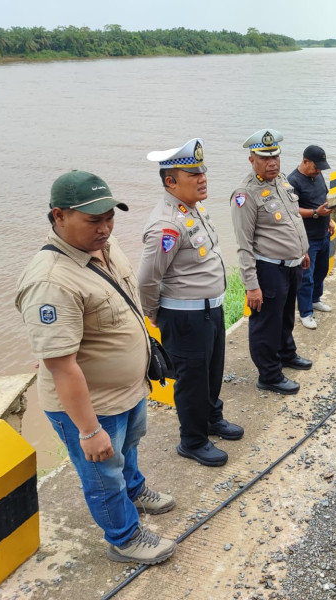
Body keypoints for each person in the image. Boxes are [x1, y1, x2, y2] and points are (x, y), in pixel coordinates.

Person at [16, 171, 176, 565]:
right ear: (58, 216)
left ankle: (135, 491)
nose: (104, 227)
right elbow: (61, 366)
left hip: (127, 392)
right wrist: (88, 431)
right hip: (90, 406)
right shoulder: (51, 282)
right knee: (103, 474)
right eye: (93, 220)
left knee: (128, 448)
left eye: (109, 216)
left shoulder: (105, 246)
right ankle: (124, 538)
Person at [138, 138, 243, 468]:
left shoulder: (194, 209)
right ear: (170, 182)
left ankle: (212, 419)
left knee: (212, 373)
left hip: (209, 310)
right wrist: (156, 315)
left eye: (203, 171)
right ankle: (193, 441)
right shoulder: (165, 225)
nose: (202, 179)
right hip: (183, 317)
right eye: (192, 174)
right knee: (192, 379)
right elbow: (147, 280)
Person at [231, 129, 311, 395]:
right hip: (268, 269)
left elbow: (293, 220)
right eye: (265, 158)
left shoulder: (282, 181)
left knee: (287, 316)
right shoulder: (246, 194)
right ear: (252, 159)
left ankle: (286, 354)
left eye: (275, 156)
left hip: (292, 265)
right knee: (266, 324)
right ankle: (269, 374)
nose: (272, 162)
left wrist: (303, 251)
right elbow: (243, 245)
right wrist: (252, 286)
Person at [287, 145, 335, 330]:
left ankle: (315, 300)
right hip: (307, 238)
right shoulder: (293, 181)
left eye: (321, 168)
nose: (319, 170)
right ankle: (305, 312)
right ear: (305, 161)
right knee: (306, 276)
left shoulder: (318, 175)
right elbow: (292, 210)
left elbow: (324, 198)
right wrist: (316, 213)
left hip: (323, 233)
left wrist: (329, 220)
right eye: (316, 167)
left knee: (322, 270)